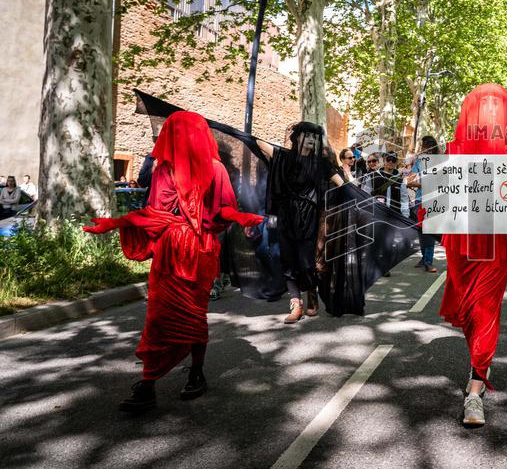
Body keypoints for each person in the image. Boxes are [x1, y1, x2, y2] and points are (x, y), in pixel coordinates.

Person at [83, 111, 263, 413]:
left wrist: (241, 216)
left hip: (198, 250)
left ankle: (196, 373)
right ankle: (148, 383)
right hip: (171, 252)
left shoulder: (215, 169)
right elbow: (154, 213)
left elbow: (222, 209)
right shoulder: (164, 170)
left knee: (193, 316)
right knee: (158, 317)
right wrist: (115, 223)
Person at [438, 84, 507, 427]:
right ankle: (479, 364)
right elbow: (441, 196)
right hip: (460, 244)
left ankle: (475, 391)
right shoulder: (453, 149)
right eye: (483, 103)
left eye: (496, 104)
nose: (490, 110)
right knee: (469, 312)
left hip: (495, 245)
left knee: (485, 310)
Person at [258, 122, 330, 324]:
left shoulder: (320, 163)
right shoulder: (284, 157)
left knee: (306, 263)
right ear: (297, 137)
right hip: (286, 217)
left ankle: (311, 290)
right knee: (288, 261)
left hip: (309, 219)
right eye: (307, 135)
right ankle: (296, 304)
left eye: (314, 136)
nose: (311, 139)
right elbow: (258, 142)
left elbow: (340, 182)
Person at [409, 135, 441, 272]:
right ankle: (424, 258)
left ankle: (428, 261)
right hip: (420, 200)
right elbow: (410, 181)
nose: (422, 149)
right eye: (423, 146)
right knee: (421, 231)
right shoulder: (419, 161)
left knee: (430, 230)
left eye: (424, 146)